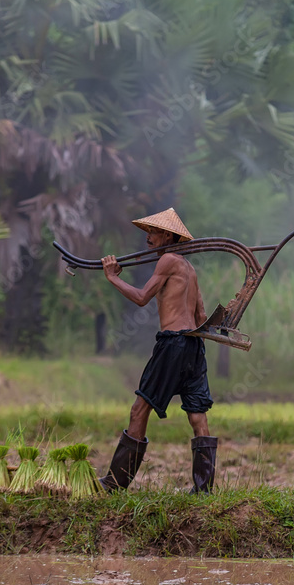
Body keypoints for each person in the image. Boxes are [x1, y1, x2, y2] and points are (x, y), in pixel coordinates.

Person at [98, 208, 218, 494]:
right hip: (194, 345)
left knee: (139, 409)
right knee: (198, 417)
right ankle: (203, 491)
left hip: (173, 344)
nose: (148, 238)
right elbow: (201, 317)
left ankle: (115, 484)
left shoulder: (167, 260)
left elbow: (141, 298)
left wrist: (113, 277)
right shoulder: (190, 269)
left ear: (167, 235)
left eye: (152, 233)